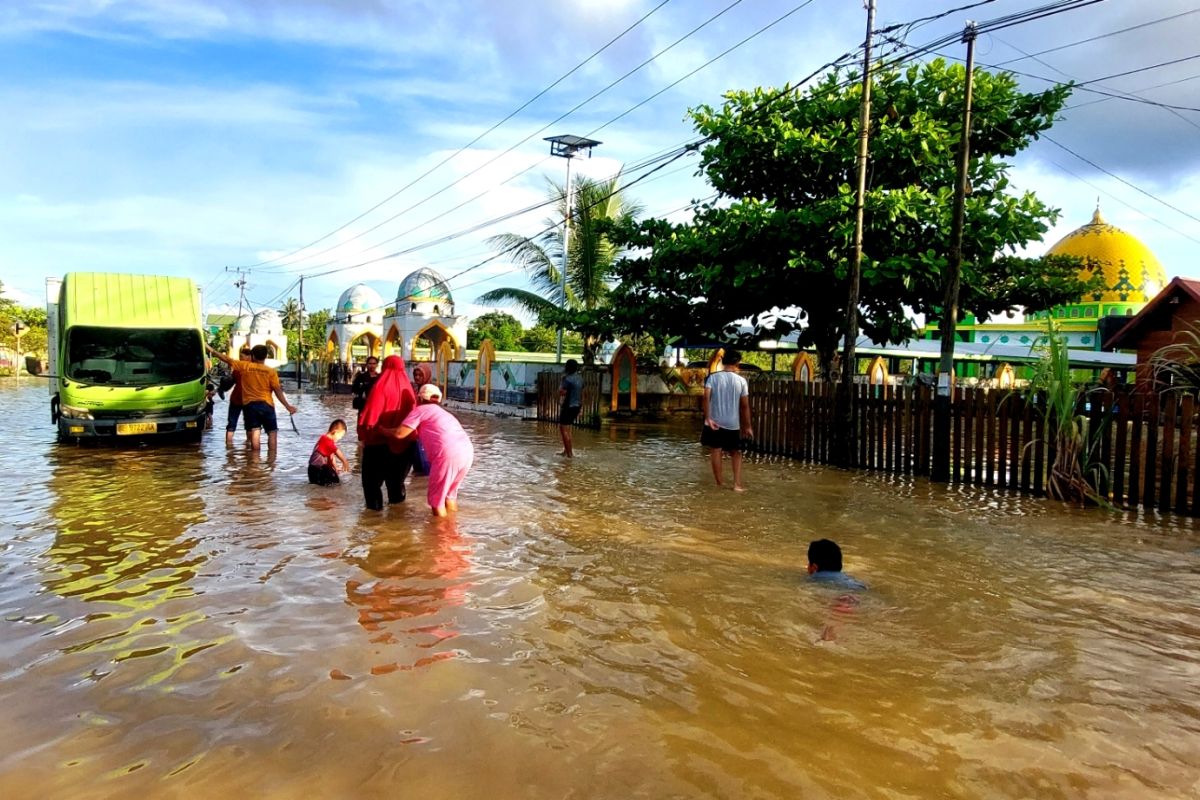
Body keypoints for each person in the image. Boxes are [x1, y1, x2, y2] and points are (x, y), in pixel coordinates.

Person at [386, 383, 474, 517]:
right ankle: (453, 528)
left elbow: (400, 433)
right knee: (450, 496)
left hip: (447, 454)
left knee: (436, 502)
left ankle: (441, 535)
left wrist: (381, 430)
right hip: (466, 452)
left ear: (420, 398)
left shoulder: (420, 410)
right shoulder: (443, 413)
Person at [206, 343, 298, 451]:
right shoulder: (271, 371)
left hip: (250, 405)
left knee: (255, 432)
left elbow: (226, 359)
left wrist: (211, 350)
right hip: (267, 405)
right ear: (266, 356)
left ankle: (254, 462)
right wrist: (287, 406)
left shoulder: (245, 366)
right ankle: (272, 462)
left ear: (253, 356)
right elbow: (278, 391)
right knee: (272, 433)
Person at [357, 354, 416, 510]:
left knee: (371, 486)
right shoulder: (408, 390)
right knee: (396, 486)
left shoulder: (380, 386)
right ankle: (397, 525)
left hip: (378, 444)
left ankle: (374, 524)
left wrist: (364, 436)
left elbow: (370, 417)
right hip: (404, 445)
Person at [702, 349, 753, 491]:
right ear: (737, 363)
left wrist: (707, 418)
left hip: (714, 422)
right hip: (733, 423)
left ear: (723, 362)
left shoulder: (712, 378)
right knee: (736, 452)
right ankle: (737, 484)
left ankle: (719, 484)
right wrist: (748, 426)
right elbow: (744, 406)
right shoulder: (741, 381)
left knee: (716, 450)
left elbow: (706, 398)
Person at [222, 347, 252, 447]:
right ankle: (249, 447)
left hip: (237, 399)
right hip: (248, 400)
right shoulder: (256, 369)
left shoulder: (238, 368)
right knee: (249, 425)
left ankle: (229, 448)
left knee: (232, 424)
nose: (240, 358)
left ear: (249, 357)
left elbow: (231, 382)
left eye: (241, 356)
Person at [309, 419, 351, 485]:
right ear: (335, 432)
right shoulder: (325, 439)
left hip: (315, 469)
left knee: (335, 480)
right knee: (334, 483)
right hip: (317, 469)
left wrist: (335, 467)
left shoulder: (328, 442)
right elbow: (337, 451)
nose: (340, 438)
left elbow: (331, 457)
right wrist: (344, 461)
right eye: (341, 436)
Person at [558, 359, 584, 457]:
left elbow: (561, 392)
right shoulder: (580, 378)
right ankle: (567, 451)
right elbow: (582, 393)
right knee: (568, 429)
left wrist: (562, 381)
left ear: (567, 367)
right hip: (577, 406)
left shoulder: (567, 379)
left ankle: (569, 454)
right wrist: (581, 408)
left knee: (563, 428)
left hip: (568, 406)